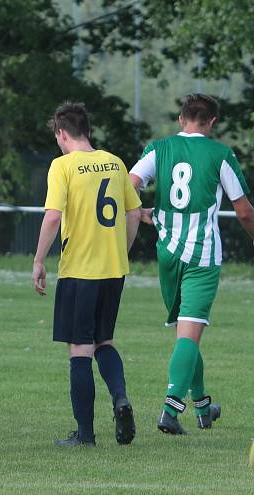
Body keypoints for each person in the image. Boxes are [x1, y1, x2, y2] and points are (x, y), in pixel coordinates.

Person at [129, 94, 254, 434]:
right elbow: (243, 211)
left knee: (186, 332)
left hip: (167, 252)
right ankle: (171, 409)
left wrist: (145, 214)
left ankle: (202, 407)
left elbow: (128, 185)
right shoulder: (220, 154)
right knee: (189, 333)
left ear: (181, 118)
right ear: (212, 122)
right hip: (202, 255)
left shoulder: (159, 149)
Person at [32, 102, 141, 447]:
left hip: (79, 270)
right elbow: (134, 213)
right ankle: (120, 397)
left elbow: (52, 216)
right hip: (113, 269)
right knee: (103, 341)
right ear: (88, 131)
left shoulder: (63, 165)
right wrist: (120, 250)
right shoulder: (115, 161)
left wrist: (38, 260)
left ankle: (85, 434)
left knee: (80, 350)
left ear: (62, 134)